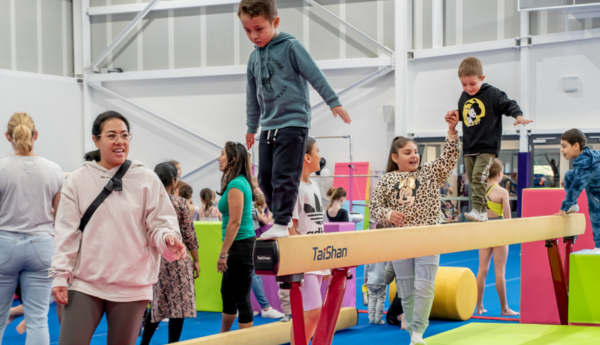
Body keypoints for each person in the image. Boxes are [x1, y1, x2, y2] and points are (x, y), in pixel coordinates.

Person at [50, 111, 187, 345]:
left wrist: (168, 238)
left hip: (132, 284)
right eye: (111, 135)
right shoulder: (77, 180)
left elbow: (161, 224)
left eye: (124, 135)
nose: (119, 141)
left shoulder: (146, 179)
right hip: (85, 281)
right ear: (96, 140)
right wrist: (60, 275)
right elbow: (67, 232)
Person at [238, 0, 351, 239]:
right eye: (247, 30)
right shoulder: (253, 59)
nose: (253, 36)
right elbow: (252, 95)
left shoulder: (290, 47)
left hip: (293, 121)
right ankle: (283, 217)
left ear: (275, 22)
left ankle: (281, 221)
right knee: (265, 178)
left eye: (259, 29)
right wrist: (251, 126)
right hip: (268, 125)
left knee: (284, 176)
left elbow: (313, 73)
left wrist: (333, 101)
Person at [371, 113, 461, 345]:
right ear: (395, 157)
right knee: (407, 289)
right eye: (407, 152)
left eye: (416, 151)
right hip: (400, 239)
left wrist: (451, 131)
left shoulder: (429, 173)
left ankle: (419, 333)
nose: (414, 156)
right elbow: (374, 209)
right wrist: (389, 214)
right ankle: (412, 332)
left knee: (425, 285)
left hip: (428, 236)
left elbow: (449, 159)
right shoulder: (387, 179)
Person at [0, 112, 64, 345]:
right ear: (36, 135)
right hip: (42, 245)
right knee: (38, 319)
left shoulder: (1, 168)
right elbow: (61, 217)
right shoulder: (53, 169)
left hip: (5, 244)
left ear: (8, 136)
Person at [448, 56, 532, 222]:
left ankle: (479, 210)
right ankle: (482, 212)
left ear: (482, 78)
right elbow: (462, 115)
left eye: (472, 84)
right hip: (469, 146)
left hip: (487, 146)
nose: (468, 88)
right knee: (472, 179)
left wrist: (519, 115)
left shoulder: (493, 94)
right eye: (464, 84)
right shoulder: (463, 97)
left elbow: (509, 104)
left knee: (479, 176)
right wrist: (454, 116)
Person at [140, 162, 200, 344]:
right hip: (177, 258)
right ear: (174, 181)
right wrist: (196, 261)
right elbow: (189, 235)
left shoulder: (148, 204)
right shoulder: (180, 203)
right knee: (179, 308)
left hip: (157, 260)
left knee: (157, 306)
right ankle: (173, 342)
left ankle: (144, 342)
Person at [287, 137, 330, 344]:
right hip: (304, 258)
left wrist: (326, 262)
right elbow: (291, 227)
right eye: (318, 151)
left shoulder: (313, 185)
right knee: (311, 312)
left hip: (317, 256)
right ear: (307, 156)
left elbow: (317, 226)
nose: (321, 156)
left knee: (311, 313)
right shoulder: (294, 187)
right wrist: (298, 260)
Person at [217, 142, 257, 332]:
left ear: (232, 159)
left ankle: (244, 340)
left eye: (222, 154)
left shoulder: (236, 184)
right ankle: (224, 336)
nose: (219, 158)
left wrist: (224, 253)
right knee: (227, 293)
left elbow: (235, 221)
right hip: (239, 244)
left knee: (241, 298)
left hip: (240, 246)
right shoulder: (239, 182)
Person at [475, 159, 519, 316]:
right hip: (499, 231)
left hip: (484, 230)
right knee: (500, 271)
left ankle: (479, 307)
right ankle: (504, 308)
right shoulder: (502, 192)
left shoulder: (479, 191)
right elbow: (508, 218)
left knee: (482, 270)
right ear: (500, 174)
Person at [555, 129, 600, 252]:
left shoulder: (585, 162)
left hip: (597, 192)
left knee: (596, 217)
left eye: (564, 146)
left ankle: (599, 247)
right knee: (569, 175)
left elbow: (577, 187)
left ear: (576, 146)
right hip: (594, 185)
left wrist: (564, 207)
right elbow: (576, 179)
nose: (561, 150)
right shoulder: (587, 155)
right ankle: (573, 206)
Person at [364, 260, 388, 324]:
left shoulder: (369, 254)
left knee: (371, 299)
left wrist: (365, 277)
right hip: (381, 280)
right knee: (380, 300)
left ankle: (371, 318)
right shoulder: (384, 253)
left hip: (371, 280)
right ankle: (378, 319)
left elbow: (366, 266)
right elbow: (388, 266)